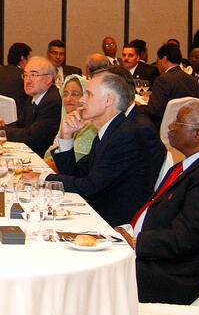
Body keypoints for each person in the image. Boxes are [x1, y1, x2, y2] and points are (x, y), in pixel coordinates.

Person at [114, 100, 199, 305]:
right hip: (151, 253)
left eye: (178, 123)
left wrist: (136, 242)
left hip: (168, 274)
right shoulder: (192, 165)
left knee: (91, 274)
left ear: (198, 134)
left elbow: (185, 238)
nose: (170, 126)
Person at [43, 71, 160, 227]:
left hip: (114, 224)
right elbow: (75, 174)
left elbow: (89, 188)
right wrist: (67, 137)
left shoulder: (125, 135)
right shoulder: (110, 131)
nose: (82, 100)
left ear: (108, 100)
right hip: (98, 212)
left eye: (89, 94)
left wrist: (43, 179)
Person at [0, 56, 61, 155]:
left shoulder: (52, 101)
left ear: (49, 78)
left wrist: (0, 130)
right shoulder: (34, 96)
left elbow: (31, 137)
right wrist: (1, 125)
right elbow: (21, 124)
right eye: (25, 75)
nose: (27, 81)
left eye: (33, 75)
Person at [146, 42, 199, 127]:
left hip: (164, 127)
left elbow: (154, 111)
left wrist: (138, 106)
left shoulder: (162, 80)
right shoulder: (192, 80)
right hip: (187, 127)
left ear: (164, 59)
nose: (157, 65)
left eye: (157, 61)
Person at [44, 74, 92, 163]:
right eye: (65, 94)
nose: (68, 99)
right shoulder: (66, 121)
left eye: (75, 94)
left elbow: (74, 162)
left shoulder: (89, 126)